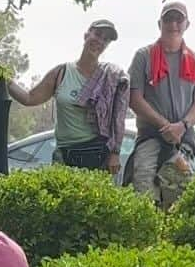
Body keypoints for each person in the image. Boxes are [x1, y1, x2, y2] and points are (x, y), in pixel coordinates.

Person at [7, 20, 127, 174]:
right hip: (63, 155)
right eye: (97, 34)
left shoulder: (109, 77)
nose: (100, 41)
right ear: (86, 35)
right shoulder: (62, 73)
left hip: (95, 155)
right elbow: (29, 98)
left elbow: (119, 116)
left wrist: (115, 153)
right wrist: (4, 78)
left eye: (106, 39)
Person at [126, 0, 195, 207]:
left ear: (187, 24)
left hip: (184, 139)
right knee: (143, 184)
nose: (173, 24)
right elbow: (134, 99)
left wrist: (182, 125)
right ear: (159, 23)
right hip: (151, 136)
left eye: (178, 19)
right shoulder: (143, 56)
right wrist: (164, 125)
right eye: (168, 19)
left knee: (185, 195)